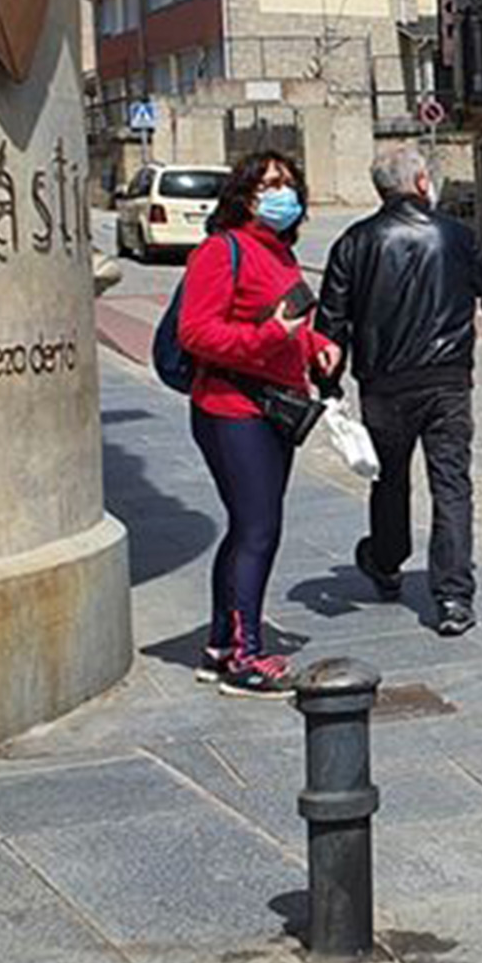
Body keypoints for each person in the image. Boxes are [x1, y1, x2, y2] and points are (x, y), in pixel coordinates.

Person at [318, 145, 482, 637]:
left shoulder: (355, 242)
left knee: (388, 478)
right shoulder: (457, 236)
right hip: (447, 381)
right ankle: (452, 597)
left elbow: (330, 324)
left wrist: (328, 386)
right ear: (423, 183)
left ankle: (386, 561)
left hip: (383, 384)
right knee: (451, 484)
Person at [178, 152, 342, 699]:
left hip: (274, 406)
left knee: (246, 527)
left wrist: (317, 346)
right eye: (270, 184)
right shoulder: (220, 252)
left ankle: (220, 645)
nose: (282, 192)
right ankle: (244, 660)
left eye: (290, 183)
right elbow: (196, 334)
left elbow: (291, 327)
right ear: (246, 194)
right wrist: (272, 337)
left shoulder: (281, 255)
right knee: (258, 529)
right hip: (232, 408)